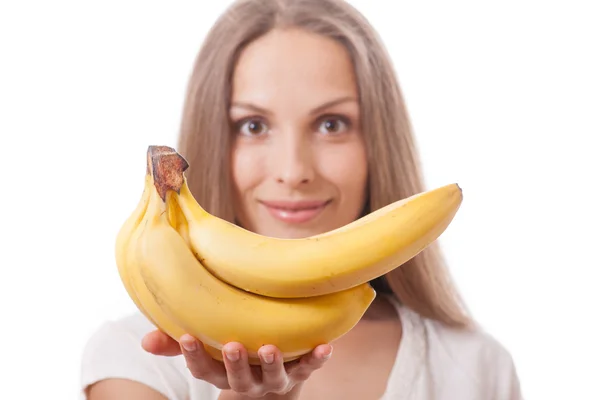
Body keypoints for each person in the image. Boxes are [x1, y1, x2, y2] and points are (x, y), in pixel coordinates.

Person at [80, 0, 523, 399]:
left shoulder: (477, 369)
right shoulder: (135, 362)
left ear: (379, 143)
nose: (293, 171)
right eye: (253, 126)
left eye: (331, 124)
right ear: (214, 138)